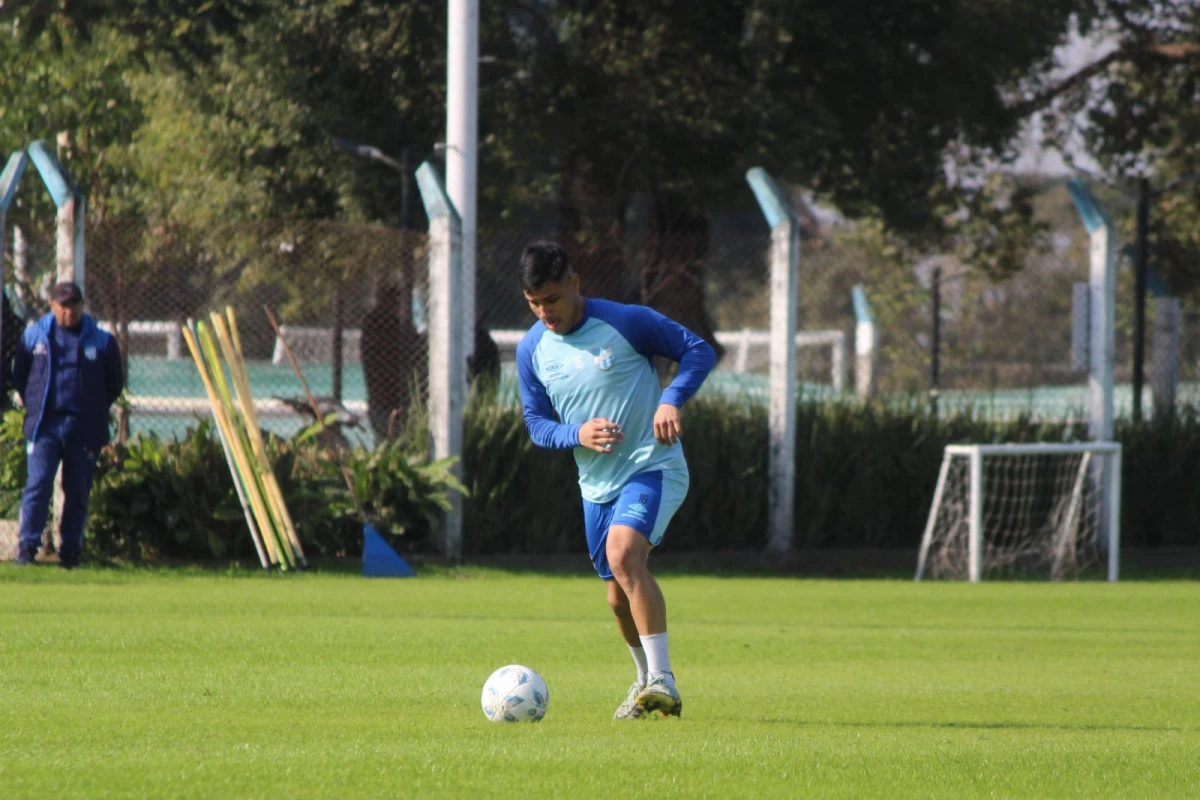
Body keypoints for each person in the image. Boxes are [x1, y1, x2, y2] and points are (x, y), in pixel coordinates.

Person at [515, 240, 715, 719]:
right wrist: (576, 433)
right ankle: (645, 683)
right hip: (596, 487)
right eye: (534, 303)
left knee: (624, 554)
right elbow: (536, 425)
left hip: (653, 466)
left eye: (553, 299)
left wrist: (672, 398)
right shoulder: (532, 350)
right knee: (616, 597)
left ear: (575, 284)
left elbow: (697, 351)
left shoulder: (626, 322)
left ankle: (665, 680)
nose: (545, 312)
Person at [11, 281, 123, 568]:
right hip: (45, 425)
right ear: (52, 306)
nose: (68, 312)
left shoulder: (101, 340)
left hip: (82, 428)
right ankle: (27, 548)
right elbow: (20, 376)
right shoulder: (34, 336)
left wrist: (92, 408)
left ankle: (71, 553)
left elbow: (114, 384)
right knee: (38, 485)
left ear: (81, 306)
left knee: (77, 490)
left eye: (73, 305)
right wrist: (34, 404)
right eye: (62, 305)